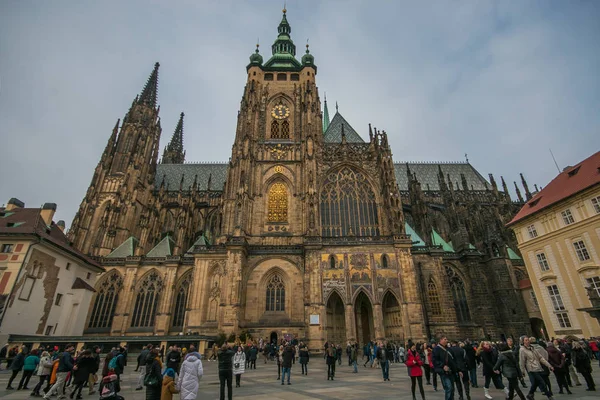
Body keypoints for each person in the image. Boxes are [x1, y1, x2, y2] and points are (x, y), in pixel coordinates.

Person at [433, 335, 456, 400]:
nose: (447, 340)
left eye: (446, 339)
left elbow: (452, 360)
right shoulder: (436, 349)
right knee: (448, 387)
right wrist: (443, 366)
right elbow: (435, 360)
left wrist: (457, 370)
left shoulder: (448, 349)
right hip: (443, 371)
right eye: (445, 339)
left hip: (450, 370)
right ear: (440, 340)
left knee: (452, 389)